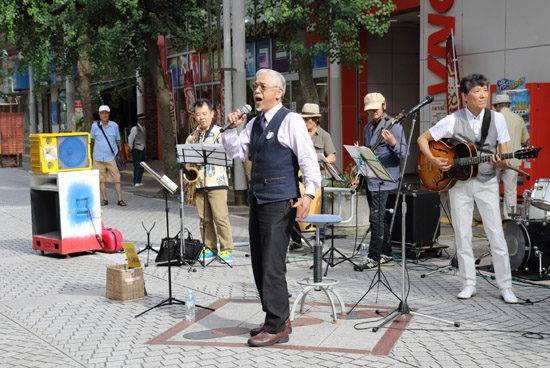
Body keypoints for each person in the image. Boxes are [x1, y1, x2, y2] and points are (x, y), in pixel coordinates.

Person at [223, 69, 321, 347]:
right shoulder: (254, 124)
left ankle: (277, 327)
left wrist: (309, 194)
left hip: (280, 201)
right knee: (259, 262)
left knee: (272, 264)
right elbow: (235, 152)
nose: (257, 90)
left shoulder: (290, 120)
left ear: (278, 92)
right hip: (259, 199)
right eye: (255, 86)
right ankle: (276, 316)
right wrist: (232, 127)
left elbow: (308, 159)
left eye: (263, 86)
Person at [417, 74, 518, 304]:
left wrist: (499, 162)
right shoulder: (452, 120)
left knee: (496, 235)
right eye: (477, 91)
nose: (482, 95)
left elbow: (503, 157)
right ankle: (468, 283)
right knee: (462, 235)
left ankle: (506, 286)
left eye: (484, 90)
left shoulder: (497, 119)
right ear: (464, 96)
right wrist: (434, 160)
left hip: (487, 182)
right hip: (459, 184)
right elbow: (423, 139)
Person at [357, 93, 407, 270]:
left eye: (375, 109)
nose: (372, 112)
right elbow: (367, 150)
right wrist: (360, 152)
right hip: (371, 177)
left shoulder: (394, 126)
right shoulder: (368, 127)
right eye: (369, 109)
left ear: (384, 106)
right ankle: (386, 254)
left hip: (385, 178)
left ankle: (374, 256)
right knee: (380, 218)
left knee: (375, 217)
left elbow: (403, 153)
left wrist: (393, 143)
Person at [185, 99, 234, 263]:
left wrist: (208, 158)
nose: (201, 118)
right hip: (198, 183)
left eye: (204, 114)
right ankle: (210, 248)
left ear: (212, 114)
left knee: (220, 217)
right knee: (204, 219)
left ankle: (227, 249)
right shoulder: (192, 137)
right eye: (198, 114)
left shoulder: (222, 133)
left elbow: (229, 157)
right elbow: (186, 161)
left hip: (217, 182)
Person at [289, 103, 336, 251]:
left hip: (318, 180)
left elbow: (332, 157)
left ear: (315, 119)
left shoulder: (324, 135)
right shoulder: (298, 134)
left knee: (320, 213)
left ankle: (319, 242)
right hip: (298, 178)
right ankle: (296, 241)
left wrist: (322, 159)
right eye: (303, 118)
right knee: (292, 210)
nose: (305, 121)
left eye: (308, 119)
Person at [493, 94, 530, 219]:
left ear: (498, 106)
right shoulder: (519, 118)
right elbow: (525, 140)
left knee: (492, 189)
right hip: (513, 160)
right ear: (509, 105)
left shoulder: (494, 118)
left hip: (495, 159)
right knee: (510, 191)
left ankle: (493, 218)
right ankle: (509, 220)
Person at [90, 105, 126, 207]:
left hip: (111, 157)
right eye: (102, 113)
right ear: (99, 114)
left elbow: (117, 139)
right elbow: (93, 139)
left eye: (106, 113)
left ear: (109, 114)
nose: (104, 115)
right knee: (101, 179)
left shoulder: (114, 125)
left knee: (117, 178)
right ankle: (104, 199)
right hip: (98, 157)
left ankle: (120, 199)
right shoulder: (94, 126)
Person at [128, 113, 147, 187]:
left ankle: (139, 180)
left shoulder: (144, 128)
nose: (143, 121)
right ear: (138, 120)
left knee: (142, 165)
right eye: (141, 119)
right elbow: (131, 138)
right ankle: (136, 181)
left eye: (143, 119)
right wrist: (130, 146)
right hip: (137, 148)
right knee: (137, 165)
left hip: (142, 148)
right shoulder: (134, 128)